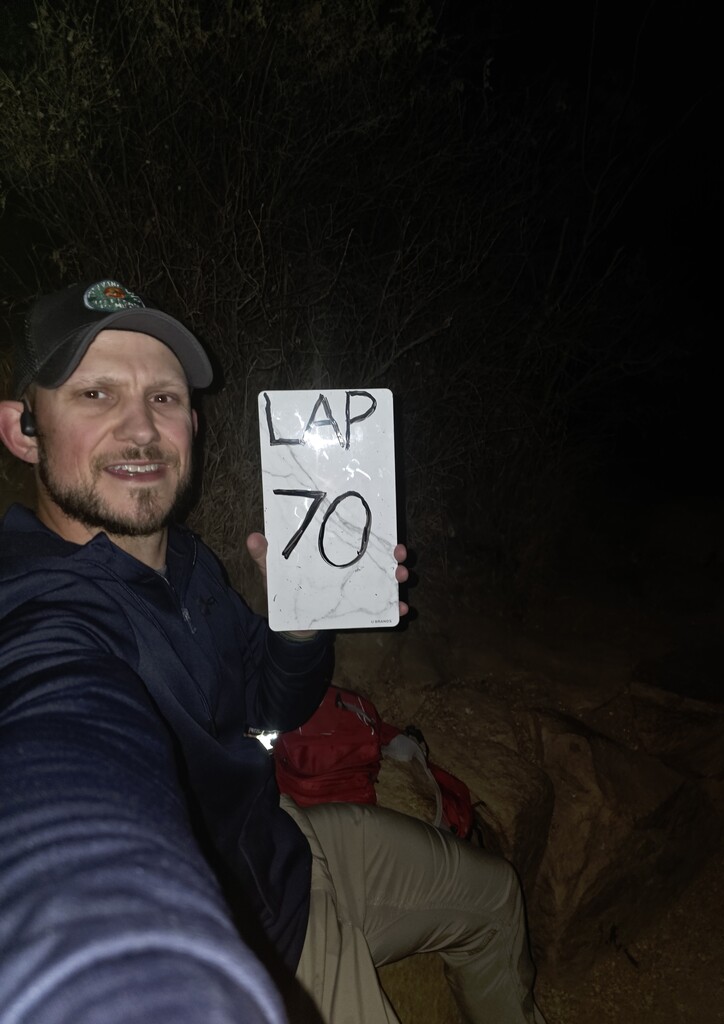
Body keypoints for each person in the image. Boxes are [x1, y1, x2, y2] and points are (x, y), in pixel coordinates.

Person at [0, 278, 546, 1024]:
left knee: (495, 898)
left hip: (284, 848)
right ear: (22, 429)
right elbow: (61, 750)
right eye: (95, 394)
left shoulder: (186, 560)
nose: (141, 428)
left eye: (163, 397)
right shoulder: (36, 612)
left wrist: (301, 620)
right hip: (256, 943)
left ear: (193, 423)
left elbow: (271, 706)